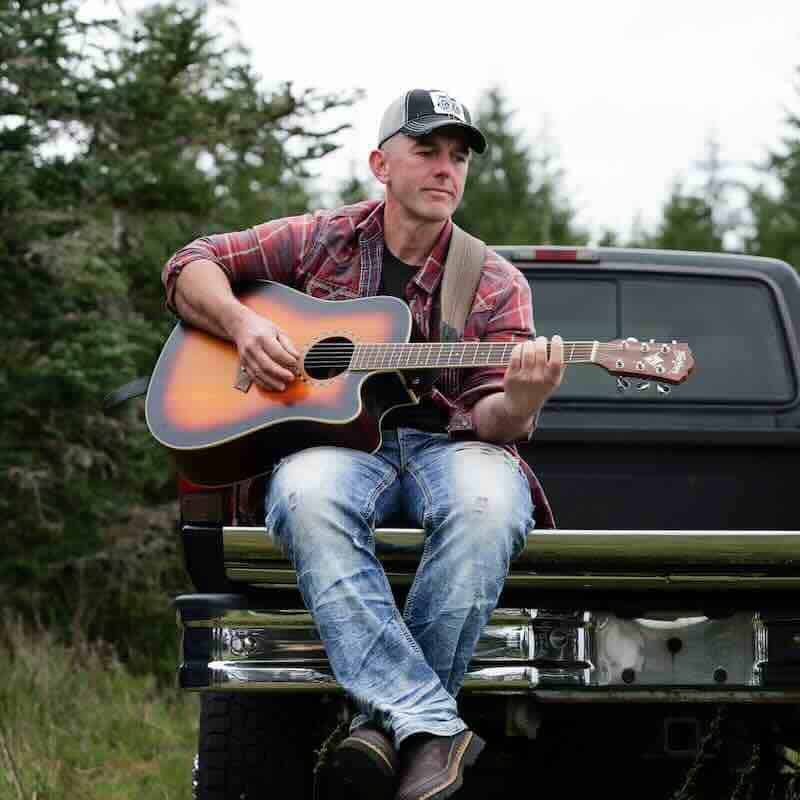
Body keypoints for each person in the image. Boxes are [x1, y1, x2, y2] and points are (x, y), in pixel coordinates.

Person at [163, 89, 564, 800]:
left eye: (459, 156)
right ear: (382, 163)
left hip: (451, 446)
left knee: (488, 506)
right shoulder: (322, 238)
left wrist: (524, 399)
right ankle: (433, 727)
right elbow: (191, 263)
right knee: (305, 496)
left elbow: (494, 418)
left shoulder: (495, 280)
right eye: (428, 151)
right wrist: (245, 327)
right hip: (344, 450)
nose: (447, 169)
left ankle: (385, 727)